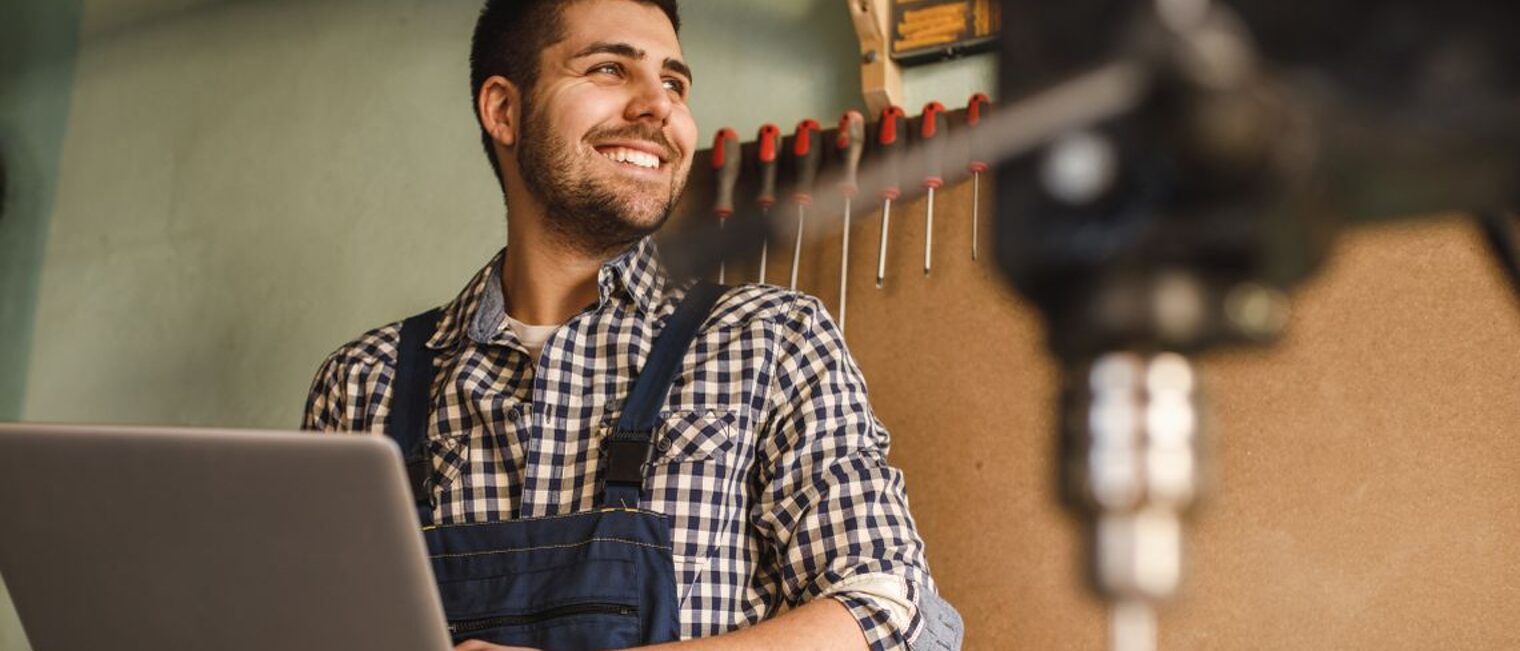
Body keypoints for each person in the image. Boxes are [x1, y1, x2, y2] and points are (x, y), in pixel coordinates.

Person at [303, 1, 962, 650]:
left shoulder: (772, 341)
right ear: (505, 110)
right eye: (610, 70)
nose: (660, 106)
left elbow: (892, 611)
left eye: (674, 82)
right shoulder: (363, 384)